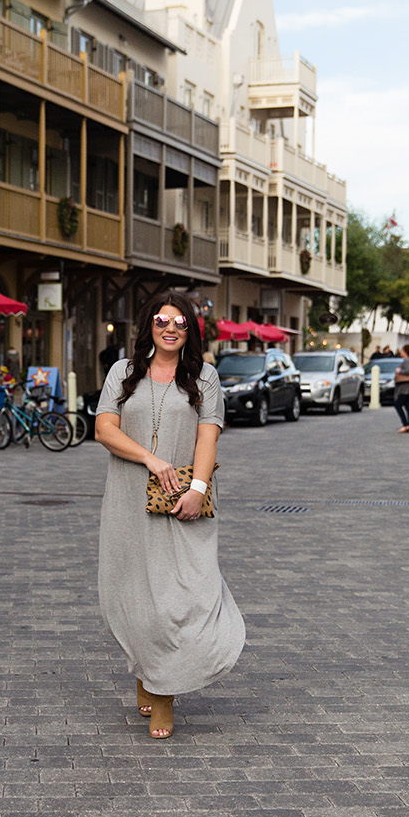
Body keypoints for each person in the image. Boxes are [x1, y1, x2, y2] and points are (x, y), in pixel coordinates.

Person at [95, 290, 245, 741]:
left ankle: (163, 693)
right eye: (162, 320)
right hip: (127, 498)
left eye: (180, 322)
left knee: (180, 596)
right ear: (150, 326)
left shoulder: (205, 377)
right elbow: (104, 429)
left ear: (190, 331)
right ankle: (149, 671)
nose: (171, 328)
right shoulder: (123, 372)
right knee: (135, 592)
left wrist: (198, 488)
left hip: (182, 497)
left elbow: (208, 437)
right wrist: (151, 459)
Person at [393, 342, 409, 434]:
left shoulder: (406, 361)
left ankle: (405, 424)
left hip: (405, 388)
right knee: (408, 407)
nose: (401, 352)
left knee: (397, 404)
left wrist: (399, 370)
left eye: (402, 350)